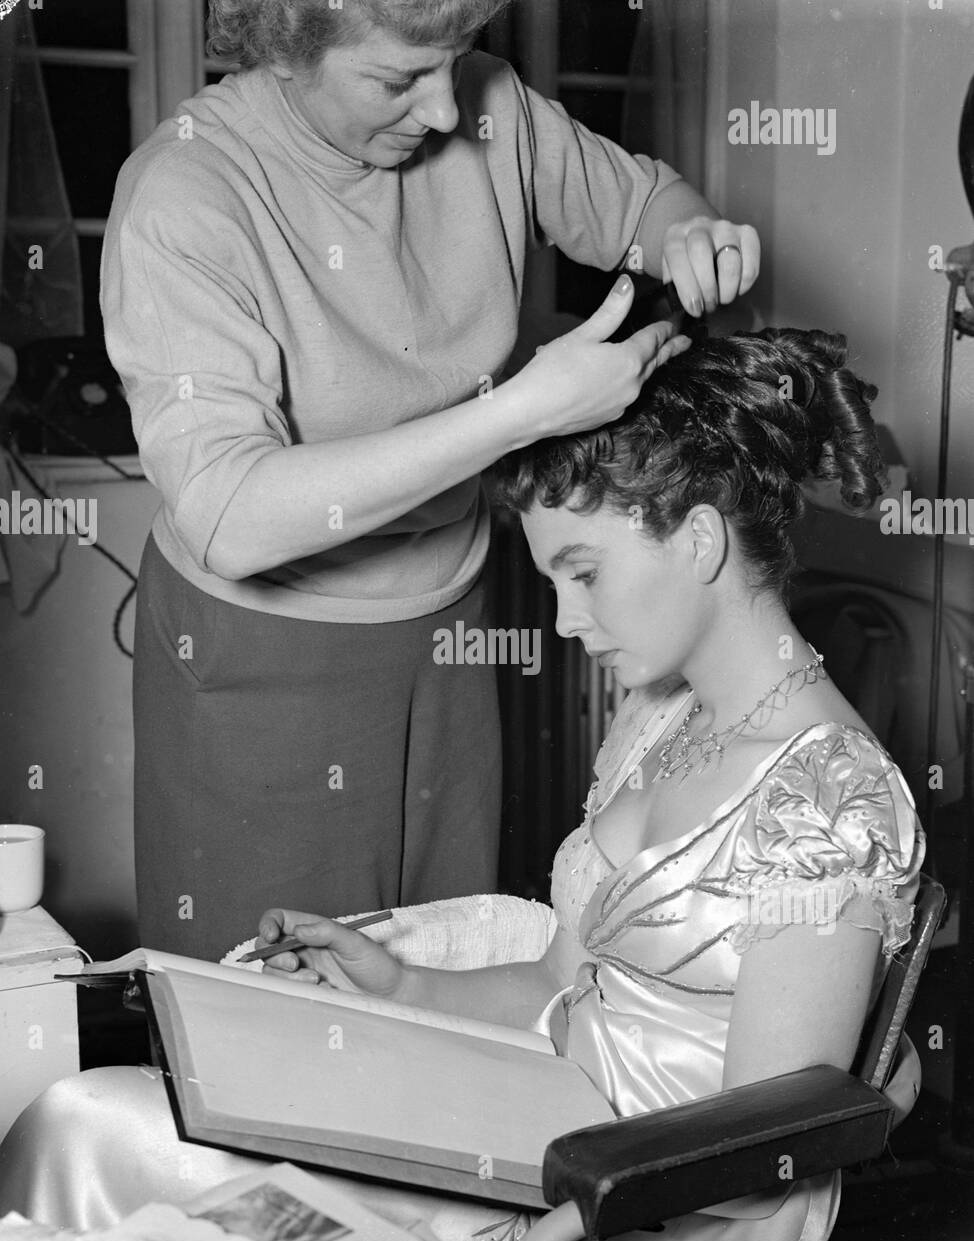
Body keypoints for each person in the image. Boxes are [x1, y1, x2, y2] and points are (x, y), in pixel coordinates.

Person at [0, 326, 921, 1241]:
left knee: (93, 1131)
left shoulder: (828, 800)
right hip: (518, 1110)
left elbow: (759, 1151)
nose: (566, 620)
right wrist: (398, 985)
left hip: (624, 1205)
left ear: (698, 540)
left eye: (584, 570)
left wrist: (555, 1204)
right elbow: (563, 988)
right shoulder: (659, 721)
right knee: (102, 1110)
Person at [104, 0, 759, 961]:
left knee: (440, 972)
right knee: (272, 1014)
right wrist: (522, 411)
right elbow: (227, 513)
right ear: (286, 51)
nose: (449, 112)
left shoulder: (491, 105)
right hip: (262, 650)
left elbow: (645, 204)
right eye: (398, 79)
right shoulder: (185, 192)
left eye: (455, 62)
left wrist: (690, 231)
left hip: (452, 623)